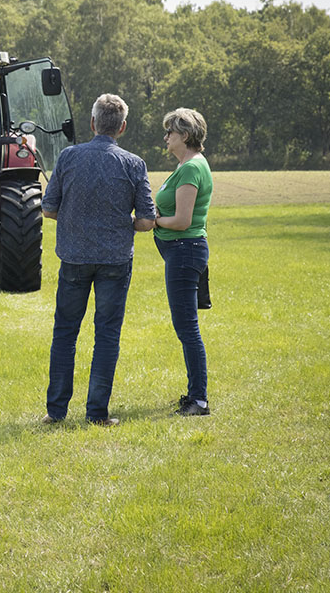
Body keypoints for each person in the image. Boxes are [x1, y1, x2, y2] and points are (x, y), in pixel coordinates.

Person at [41, 93, 156, 426]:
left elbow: (49, 209)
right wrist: (123, 223)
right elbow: (147, 221)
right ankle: (97, 413)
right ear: (122, 127)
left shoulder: (68, 157)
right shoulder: (134, 164)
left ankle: (56, 411)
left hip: (74, 258)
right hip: (115, 261)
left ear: (92, 123)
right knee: (106, 334)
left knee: (65, 332)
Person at [153, 108, 214, 416]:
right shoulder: (186, 166)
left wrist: (153, 220)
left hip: (184, 249)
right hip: (183, 251)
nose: (166, 138)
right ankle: (194, 393)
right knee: (185, 327)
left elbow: (181, 220)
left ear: (185, 136)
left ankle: (199, 400)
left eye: (170, 133)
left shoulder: (191, 168)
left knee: (187, 328)